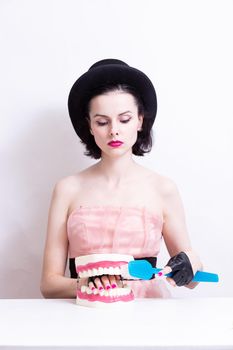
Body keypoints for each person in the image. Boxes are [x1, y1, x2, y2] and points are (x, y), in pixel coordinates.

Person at [40, 58, 203, 299]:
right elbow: (49, 284)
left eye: (124, 119)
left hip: (150, 318)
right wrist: (86, 284)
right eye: (102, 122)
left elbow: (192, 278)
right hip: (84, 316)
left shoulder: (162, 188)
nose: (113, 130)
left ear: (140, 120)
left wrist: (191, 265)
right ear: (90, 126)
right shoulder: (67, 190)